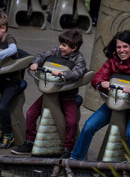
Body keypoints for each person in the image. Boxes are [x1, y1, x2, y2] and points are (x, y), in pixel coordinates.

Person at [70, 30, 130, 162]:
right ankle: (75, 160)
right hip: (112, 105)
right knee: (89, 126)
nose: (122, 50)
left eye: (125, 46)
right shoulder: (112, 61)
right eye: (119, 47)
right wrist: (101, 83)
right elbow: (97, 78)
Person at [11, 28, 87, 158]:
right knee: (31, 113)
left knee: (71, 122)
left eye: (64, 45)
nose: (60, 47)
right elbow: (41, 55)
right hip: (50, 93)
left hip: (67, 96)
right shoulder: (56, 51)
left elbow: (78, 73)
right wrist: (35, 63)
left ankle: (68, 148)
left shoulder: (79, 59)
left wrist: (63, 74)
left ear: (73, 47)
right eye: (60, 44)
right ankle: (30, 141)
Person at [0, 9, 22, 148]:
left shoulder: (8, 38)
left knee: (2, 106)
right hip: (1, 79)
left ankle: (9, 134)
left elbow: (13, 49)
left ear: (3, 28)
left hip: (12, 82)